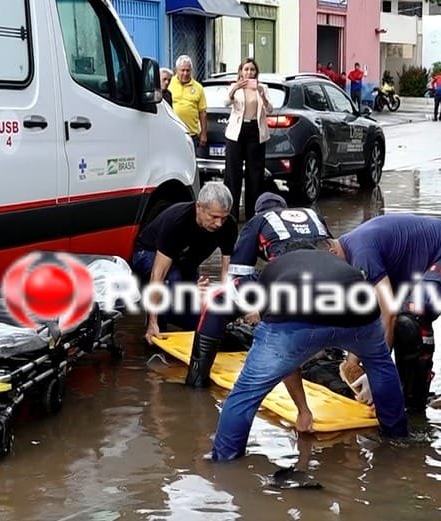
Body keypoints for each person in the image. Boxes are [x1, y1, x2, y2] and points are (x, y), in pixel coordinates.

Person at [209, 246, 409, 461]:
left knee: (247, 391)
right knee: (380, 364)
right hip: (360, 313)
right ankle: (398, 438)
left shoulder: (267, 277)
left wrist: (303, 410)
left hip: (300, 319)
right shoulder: (333, 262)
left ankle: (224, 460)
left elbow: (288, 364)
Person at [316, 213, 441, 415]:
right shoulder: (351, 255)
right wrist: (352, 364)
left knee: (410, 318)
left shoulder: (361, 252)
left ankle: (414, 407)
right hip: (424, 266)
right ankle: (409, 395)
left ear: (332, 253)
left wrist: (376, 374)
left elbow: (388, 313)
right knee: (399, 320)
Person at [184, 192, 333, 387]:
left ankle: (196, 380)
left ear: (258, 211)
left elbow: (237, 276)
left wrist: (251, 311)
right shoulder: (312, 215)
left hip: (289, 275)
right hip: (332, 280)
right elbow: (334, 250)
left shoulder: (258, 221)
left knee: (217, 302)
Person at [131, 182, 238, 344]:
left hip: (183, 261)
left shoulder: (228, 226)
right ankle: (156, 324)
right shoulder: (177, 221)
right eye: (214, 217)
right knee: (172, 281)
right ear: (199, 207)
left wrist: (228, 312)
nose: (219, 224)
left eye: (223, 218)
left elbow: (227, 272)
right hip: (148, 252)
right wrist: (153, 321)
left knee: (197, 320)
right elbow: (158, 274)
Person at [223, 59, 273, 221]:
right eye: (246, 69)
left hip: (255, 132)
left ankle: (253, 214)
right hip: (237, 132)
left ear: (256, 72)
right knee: (233, 173)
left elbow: (270, 109)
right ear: (240, 71)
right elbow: (225, 103)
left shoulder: (262, 87)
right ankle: (232, 214)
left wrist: (262, 95)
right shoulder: (235, 87)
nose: (249, 72)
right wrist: (234, 89)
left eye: (252, 70)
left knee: (255, 174)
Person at [168, 55, 208, 151]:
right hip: (172, 133)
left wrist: (204, 134)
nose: (185, 73)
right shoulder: (169, 83)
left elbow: (203, 113)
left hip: (191, 135)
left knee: (190, 164)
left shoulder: (198, 88)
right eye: (182, 70)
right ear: (176, 70)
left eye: (188, 70)